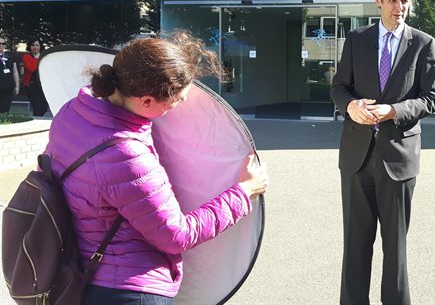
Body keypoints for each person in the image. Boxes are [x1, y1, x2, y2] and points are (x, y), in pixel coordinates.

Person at [46, 31, 269, 304]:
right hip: (130, 291)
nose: (181, 105)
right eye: (177, 100)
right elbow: (176, 236)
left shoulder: (72, 113)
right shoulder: (126, 157)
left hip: (82, 272)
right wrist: (244, 192)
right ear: (147, 101)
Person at [331, 0, 435, 305]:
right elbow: (338, 87)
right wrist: (349, 106)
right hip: (356, 158)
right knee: (355, 246)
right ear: (378, 1)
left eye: (405, 1)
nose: (399, 7)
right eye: (393, 0)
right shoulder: (357, 40)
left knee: (395, 251)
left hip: (398, 159)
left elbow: (432, 99)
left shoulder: (423, 44)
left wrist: (393, 111)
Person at [21, 37, 49, 116]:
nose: (35, 47)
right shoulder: (26, 56)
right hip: (31, 85)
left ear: (40, 47)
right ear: (30, 47)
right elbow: (31, 68)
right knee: (37, 106)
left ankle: (37, 119)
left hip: (42, 85)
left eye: (37, 45)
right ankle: (36, 121)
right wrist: (37, 58)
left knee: (44, 107)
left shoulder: (44, 57)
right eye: (33, 45)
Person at [0, 36, 19, 112]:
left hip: (8, 87)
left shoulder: (10, 56)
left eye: (3, 43)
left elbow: (15, 71)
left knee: (5, 109)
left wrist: (17, 86)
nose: (1, 45)